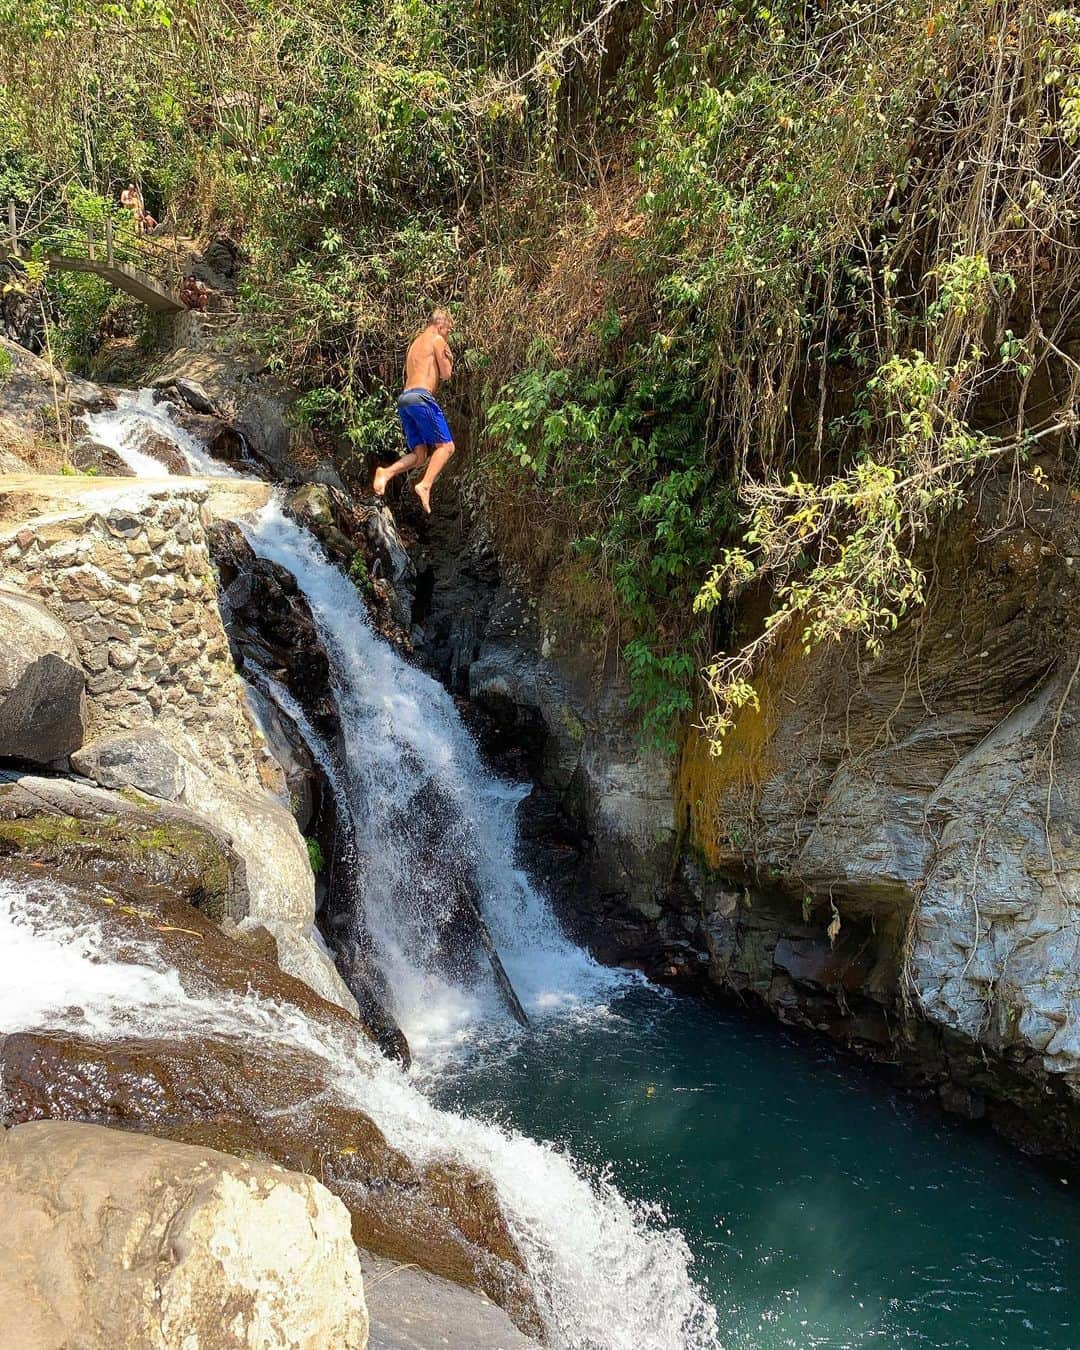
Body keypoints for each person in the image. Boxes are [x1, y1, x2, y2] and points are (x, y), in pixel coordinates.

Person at [373, 307, 456, 514]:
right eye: (449, 330)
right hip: (421, 398)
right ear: (440, 325)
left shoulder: (415, 344)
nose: (449, 334)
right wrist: (450, 358)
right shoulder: (437, 340)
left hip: (405, 400)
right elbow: (446, 374)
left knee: (420, 456)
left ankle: (385, 473)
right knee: (447, 447)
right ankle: (425, 485)